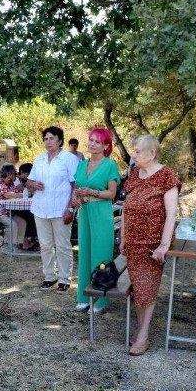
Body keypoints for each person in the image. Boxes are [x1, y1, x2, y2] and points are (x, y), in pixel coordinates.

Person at [119, 134, 180, 355]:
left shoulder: (166, 175)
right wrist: (123, 237)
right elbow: (126, 207)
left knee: (147, 288)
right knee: (138, 288)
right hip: (133, 242)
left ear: (152, 153)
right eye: (134, 150)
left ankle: (143, 336)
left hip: (153, 244)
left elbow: (172, 213)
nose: (133, 155)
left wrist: (164, 245)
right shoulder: (134, 174)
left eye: (137, 151)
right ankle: (140, 330)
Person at [72, 128, 121, 312]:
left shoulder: (110, 165)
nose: (92, 143)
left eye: (97, 141)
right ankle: (84, 296)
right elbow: (76, 187)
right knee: (84, 252)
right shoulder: (81, 164)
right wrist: (74, 198)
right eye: (91, 140)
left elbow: (112, 193)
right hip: (84, 211)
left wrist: (93, 192)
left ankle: (101, 300)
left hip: (101, 211)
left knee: (101, 254)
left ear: (106, 146)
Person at [28, 126, 79, 292]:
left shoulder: (69, 159)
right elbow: (28, 182)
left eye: (51, 138)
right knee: (45, 245)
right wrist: (33, 184)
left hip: (60, 210)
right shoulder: (39, 159)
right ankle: (49, 277)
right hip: (40, 209)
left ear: (59, 140)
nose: (48, 142)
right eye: (45, 139)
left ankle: (64, 279)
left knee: (62, 245)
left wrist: (70, 209)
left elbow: (75, 185)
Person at [0, 163, 37, 250]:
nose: (16, 176)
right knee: (12, 224)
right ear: (9, 175)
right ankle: (9, 246)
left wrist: (24, 192)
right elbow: (9, 195)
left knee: (22, 222)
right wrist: (23, 194)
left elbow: (16, 192)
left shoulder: (10, 184)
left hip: (7, 212)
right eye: (15, 174)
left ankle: (19, 244)